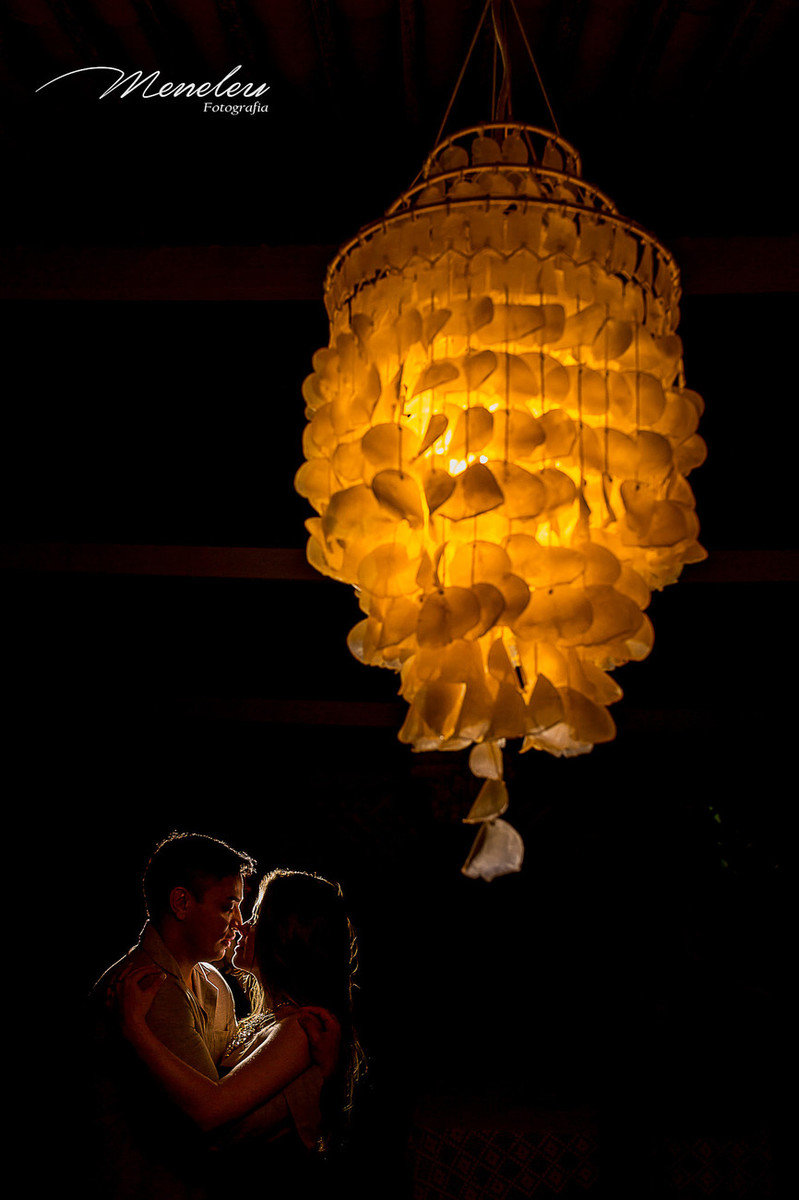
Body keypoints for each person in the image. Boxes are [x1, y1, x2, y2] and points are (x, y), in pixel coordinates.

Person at [117, 869, 362, 1189]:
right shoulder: (267, 1020)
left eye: (258, 915)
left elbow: (209, 1112)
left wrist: (134, 1027)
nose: (242, 925)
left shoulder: (303, 1028)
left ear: (285, 934)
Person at [88, 831, 257, 1198]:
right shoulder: (147, 989)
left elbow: (232, 1078)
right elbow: (218, 1121)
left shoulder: (212, 980)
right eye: (228, 906)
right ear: (181, 902)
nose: (240, 922)